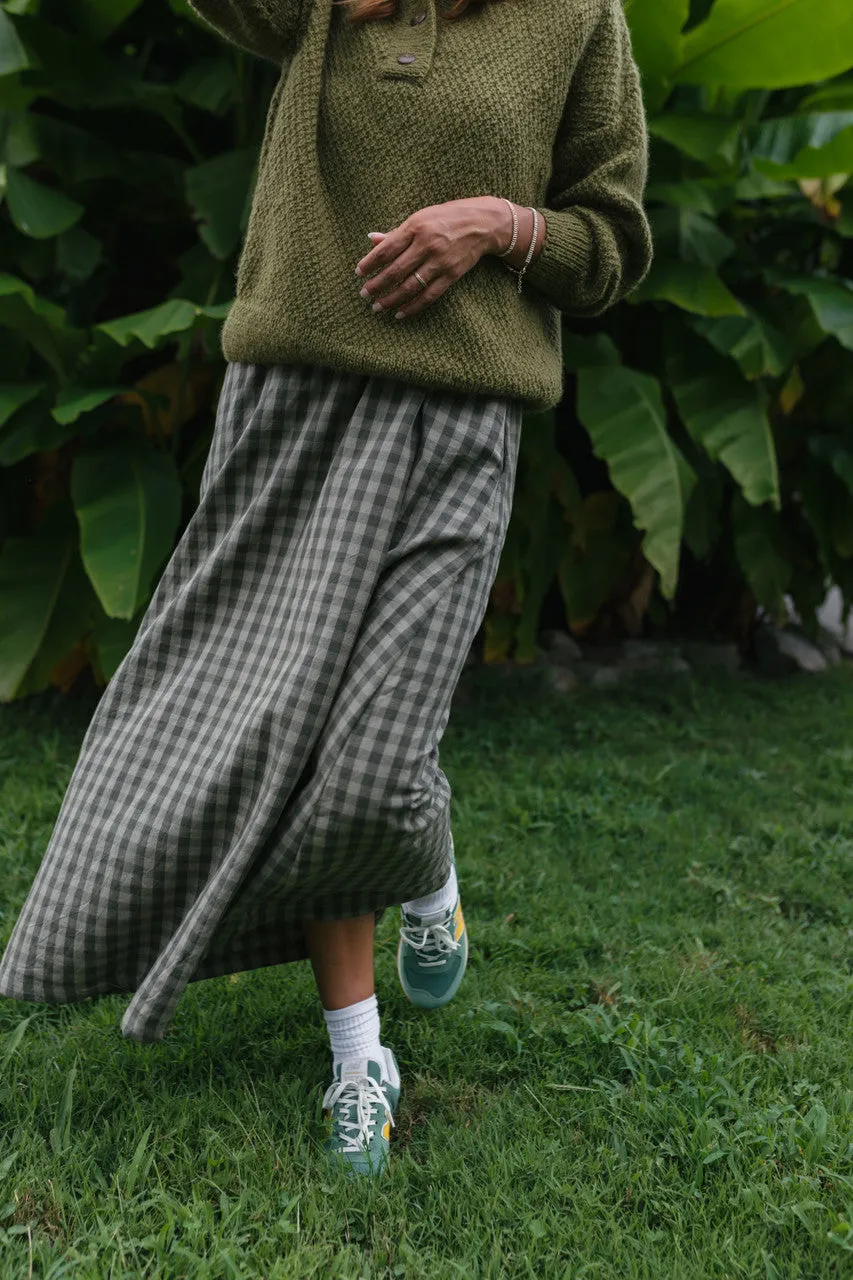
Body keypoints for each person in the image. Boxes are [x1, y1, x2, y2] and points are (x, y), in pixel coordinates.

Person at [0, 0, 652, 1176]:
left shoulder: (577, 16)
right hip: (293, 410)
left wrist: (499, 226)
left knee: (377, 764)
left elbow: (610, 243)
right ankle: (359, 1057)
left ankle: (424, 854)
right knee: (295, 741)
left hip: (460, 419)